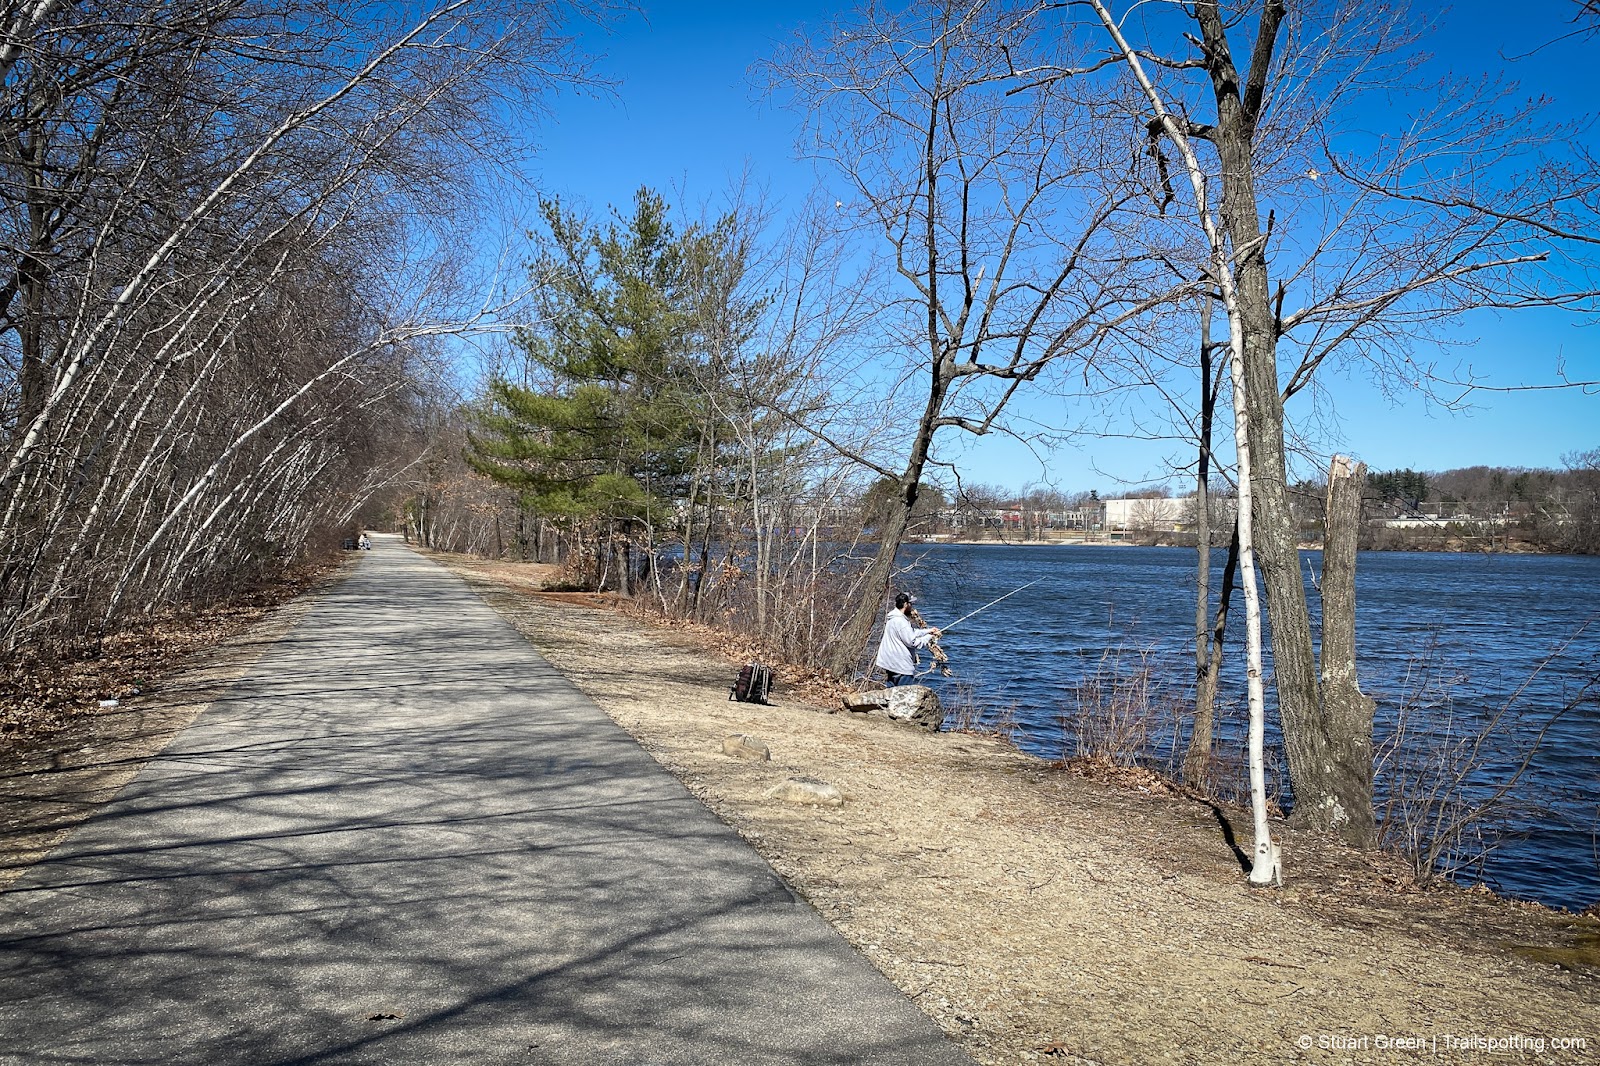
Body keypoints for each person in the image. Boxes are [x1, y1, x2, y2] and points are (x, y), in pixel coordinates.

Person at [874, 592, 940, 687]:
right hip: (901, 667)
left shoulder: (892, 618)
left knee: (891, 696)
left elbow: (911, 632)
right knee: (903, 697)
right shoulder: (902, 622)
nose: (912, 607)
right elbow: (913, 642)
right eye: (910, 604)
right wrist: (929, 637)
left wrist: (928, 631)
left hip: (890, 664)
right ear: (905, 604)